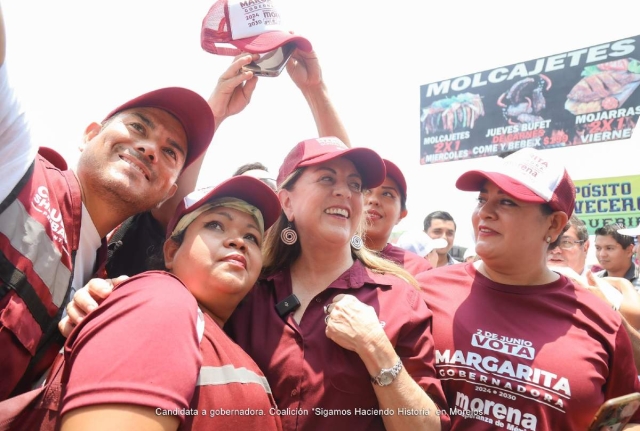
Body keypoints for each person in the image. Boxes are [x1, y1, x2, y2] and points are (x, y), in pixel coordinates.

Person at [0, 3, 216, 400]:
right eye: (138, 126)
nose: (150, 148)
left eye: (171, 153)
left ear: (169, 192)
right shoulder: (15, 163)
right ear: (89, 134)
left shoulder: (101, 291)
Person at [9, 175, 282, 431]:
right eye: (215, 225)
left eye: (251, 237)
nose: (239, 242)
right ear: (172, 251)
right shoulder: (162, 298)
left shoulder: (218, 336)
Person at [226, 137, 449, 430]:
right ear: (287, 202)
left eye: (355, 184)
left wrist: (376, 349)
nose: (345, 192)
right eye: (327, 178)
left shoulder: (398, 298)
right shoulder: (247, 293)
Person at [418, 148, 640, 430]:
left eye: (507, 202)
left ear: (554, 223)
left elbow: (628, 420)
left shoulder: (601, 320)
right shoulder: (424, 292)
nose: (485, 212)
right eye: (482, 198)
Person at [363, 159, 435, 275]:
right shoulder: (327, 256)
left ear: (401, 215)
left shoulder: (418, 269)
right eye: (365, 191)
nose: (373, 200)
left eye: (387, 194)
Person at [595, 223, 640, 291]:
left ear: (629, 250)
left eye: (609, 248)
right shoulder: (591, 281)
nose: (602, 254)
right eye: (598, 248)